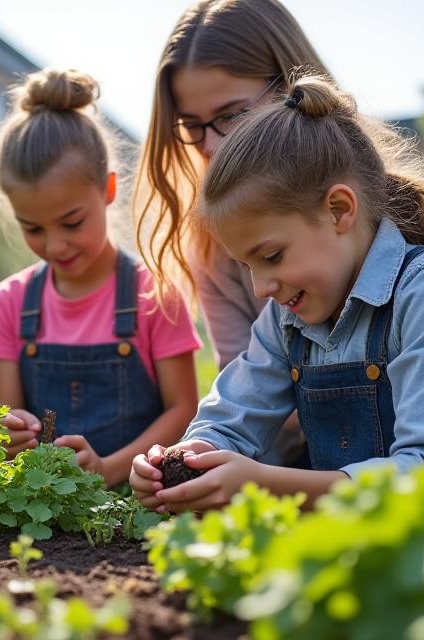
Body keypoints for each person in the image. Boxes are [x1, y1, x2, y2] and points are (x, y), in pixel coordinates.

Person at [131, 74, 424, 512]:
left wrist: (269, 485)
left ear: (339, 210)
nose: (261, 288)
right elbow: (233, 413)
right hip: (390, 544)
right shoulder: (288, 318)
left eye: (272, 256)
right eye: (247, 266)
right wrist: (182, 458)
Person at [0, 68, 201, 487]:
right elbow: (2, 416)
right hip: (42, 512)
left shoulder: (155, 293)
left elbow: (184, 410)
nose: (56, 245)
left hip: (135, 502)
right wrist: (9, 431)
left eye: (72, 222)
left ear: (108, 189)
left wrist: (109, 469)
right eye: (34, 229)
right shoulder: (9, 302)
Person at [134, 0, 329, 465]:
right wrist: (199, 458)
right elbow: (246, 398)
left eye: (232, 116)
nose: (211, 146)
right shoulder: (209, 243)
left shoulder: (384, 226)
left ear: (291, 86)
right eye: (192, 126)